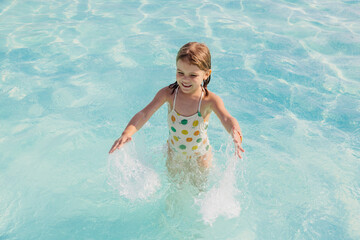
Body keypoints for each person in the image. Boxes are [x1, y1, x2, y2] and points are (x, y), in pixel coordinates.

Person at [109, 42, 244, 170]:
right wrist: (127, 133)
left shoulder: (209, 100)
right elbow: (144, 114)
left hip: (200, 157)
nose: (185, 79)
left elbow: (227, 118)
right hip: (174, 153)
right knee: (173, 190)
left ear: (206, 74)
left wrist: (235, 132)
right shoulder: (168, 94)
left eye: (193, 75)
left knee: (200, 192)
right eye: (180, 72)